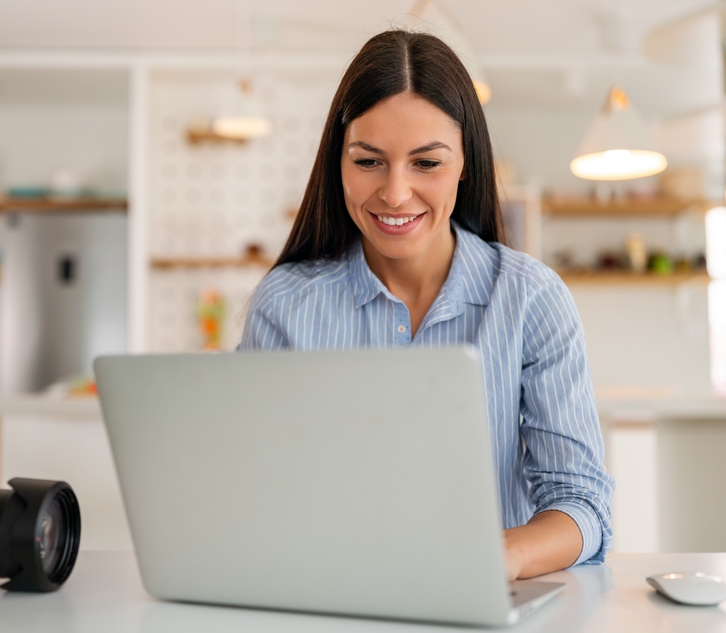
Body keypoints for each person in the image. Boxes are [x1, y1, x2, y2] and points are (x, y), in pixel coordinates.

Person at [238, 29, 615, 581]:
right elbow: (253, 491)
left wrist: (496, 557)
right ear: (336, 163)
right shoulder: (285, 306)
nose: (394, 193)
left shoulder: (532, 299)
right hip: (330, 598)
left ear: (466, 163)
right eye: (368, 162)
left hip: (484, 604)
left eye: (426, 163)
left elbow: (583, 506)